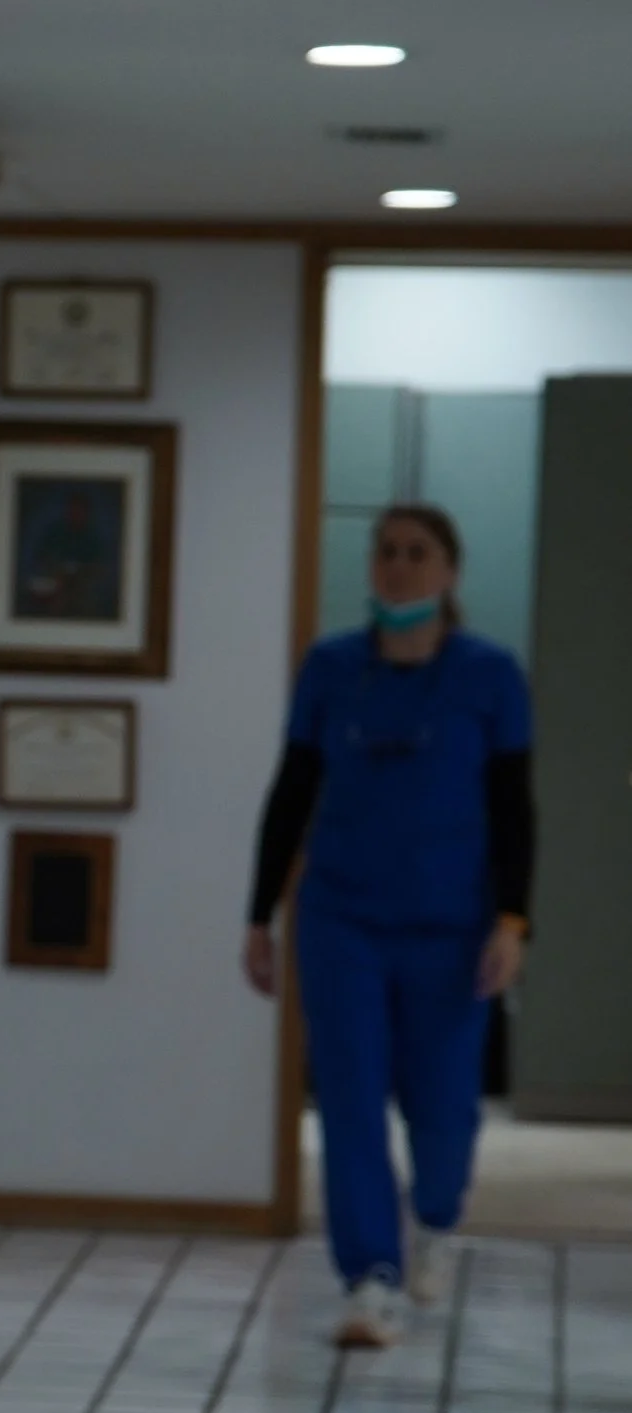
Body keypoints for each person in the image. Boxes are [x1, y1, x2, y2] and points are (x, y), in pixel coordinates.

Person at [244, 502, 533, 1348]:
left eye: (417, 553)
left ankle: (436, 1221)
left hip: (452, 926)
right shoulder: (332, 669)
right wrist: (257, 913)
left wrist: (514, 921)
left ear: (449, 573)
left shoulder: (490, 676)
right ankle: (369, 1277)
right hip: (342, 921)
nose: (398, 567)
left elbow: (515, 811)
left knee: (443, 1110)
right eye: (385, 552)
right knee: (349, 1101)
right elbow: (292, 790)